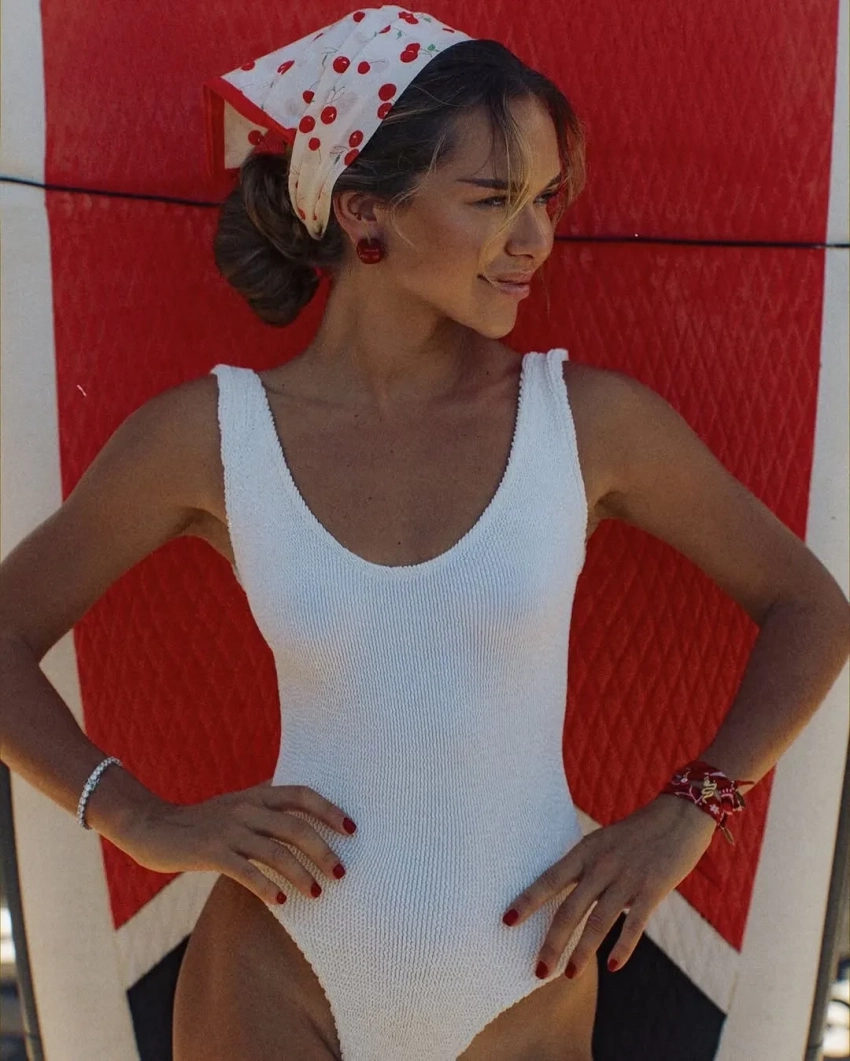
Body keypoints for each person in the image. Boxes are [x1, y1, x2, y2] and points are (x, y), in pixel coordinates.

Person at [1, 6, 848, 1060]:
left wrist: (692, 809)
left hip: (524, 990)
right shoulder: (212, 436)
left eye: (544, 201)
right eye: (494, 200)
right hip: (274, 970)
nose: (534, 240)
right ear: (365, 210)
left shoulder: (586, 422)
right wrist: (135, 817)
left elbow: (812, 607)